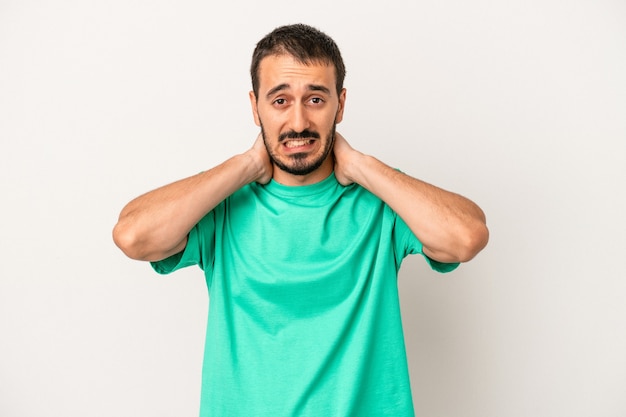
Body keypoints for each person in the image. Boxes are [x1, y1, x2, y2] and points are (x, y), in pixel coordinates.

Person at [113, 23, 488, 417]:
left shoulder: (383, 201)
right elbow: (134, 236)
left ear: (340, 105)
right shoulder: (222, 205)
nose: (297, 122)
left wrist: (362, 166)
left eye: (315, 99)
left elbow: (466, 236)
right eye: (279, 101)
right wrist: (244, 165)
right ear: (254, 106)